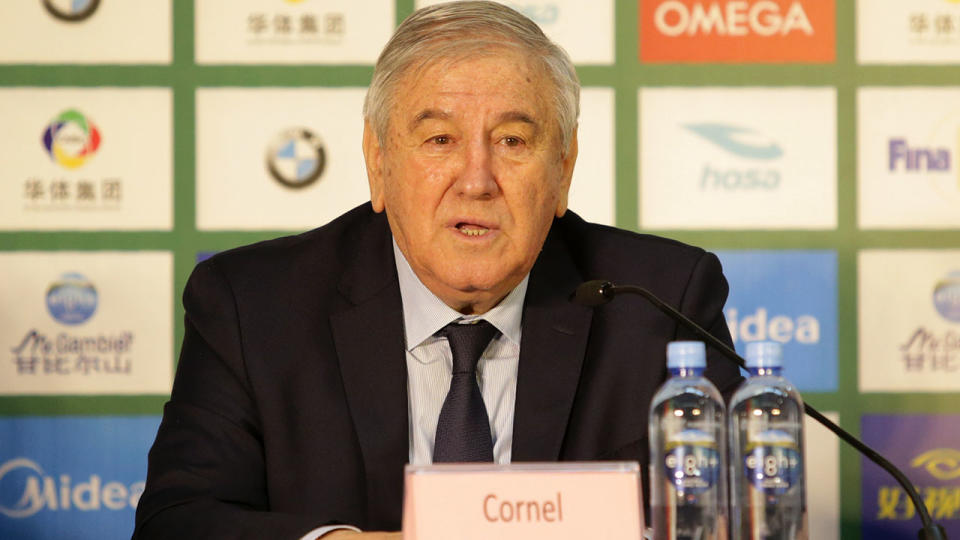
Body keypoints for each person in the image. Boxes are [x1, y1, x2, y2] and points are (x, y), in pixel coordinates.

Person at [133, 2, 741, 539]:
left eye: (512, 141)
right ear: (377, 161)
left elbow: (738, 515)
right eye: (440, 140)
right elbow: (178, 520)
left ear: (564, 165)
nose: (476, 182)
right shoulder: (253, 307)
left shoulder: (661, 302)